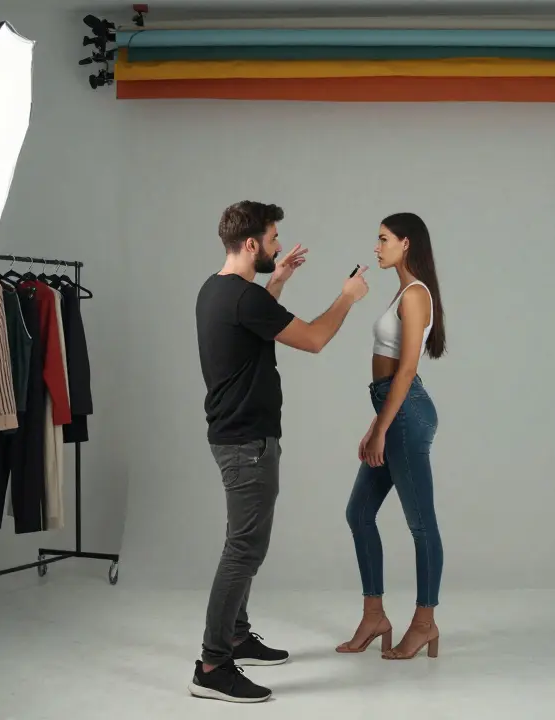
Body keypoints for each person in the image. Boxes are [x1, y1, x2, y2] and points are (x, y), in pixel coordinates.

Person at [190, 200, 370, 703]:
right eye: (272, 241)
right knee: (244, 548)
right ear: (250, 244)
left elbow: (252, 321)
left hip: (236, 437)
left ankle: (236, 635)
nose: (276, 247)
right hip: (247, 442)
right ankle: (211, 664)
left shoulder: (216, 290)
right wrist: (348, 296)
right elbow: (313, 339)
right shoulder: (245, 300)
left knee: (242, 543)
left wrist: (279, 281)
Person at [337, 212, 446, 661]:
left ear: (406, 243)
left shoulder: (416, 295)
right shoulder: (402, 293)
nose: (377, 248)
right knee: (359, 513)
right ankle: (374, 615)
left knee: (421, 524)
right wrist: (375, 424)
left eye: (383, 240)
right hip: (392, 411)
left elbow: (406, 370)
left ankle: (424, 623)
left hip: (404, 414)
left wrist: (382, 426)